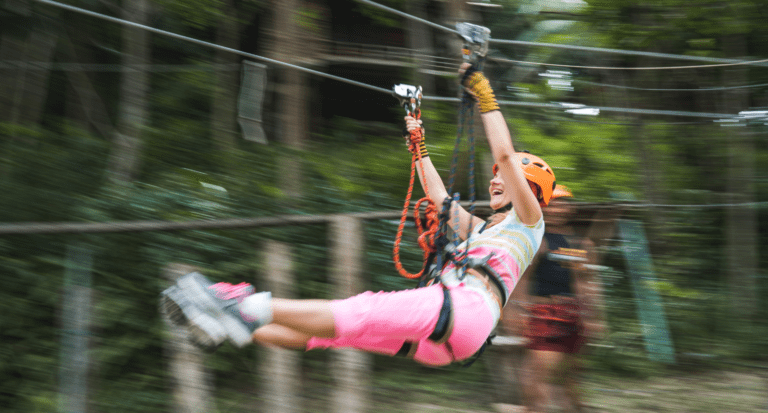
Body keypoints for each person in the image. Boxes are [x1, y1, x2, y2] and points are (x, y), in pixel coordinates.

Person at [159, 63, 558, 367]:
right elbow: (437, 196)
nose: (496, 182)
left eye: (507, 180)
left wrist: (484, 94)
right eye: (496, 179)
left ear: (532, 193)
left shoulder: (529, 222)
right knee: (336, 333)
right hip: (454, 336)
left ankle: (234, 303)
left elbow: (504, 155)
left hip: (465, 310)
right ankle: (236, 328)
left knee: (359, 309)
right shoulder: (484, 231)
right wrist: (416, 140)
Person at [517, 189, 607, 412]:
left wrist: (594, 315)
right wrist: (517, 310)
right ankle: (533, 408)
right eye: (553, 204)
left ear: (571, 209)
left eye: (563, 204)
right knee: (540, 372)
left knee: (570, 377)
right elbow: (522, 278)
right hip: (544, 313)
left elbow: (583, 280)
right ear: (543, 208)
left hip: (574, 314)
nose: (559, 209)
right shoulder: (538, 239)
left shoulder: (576, 242)